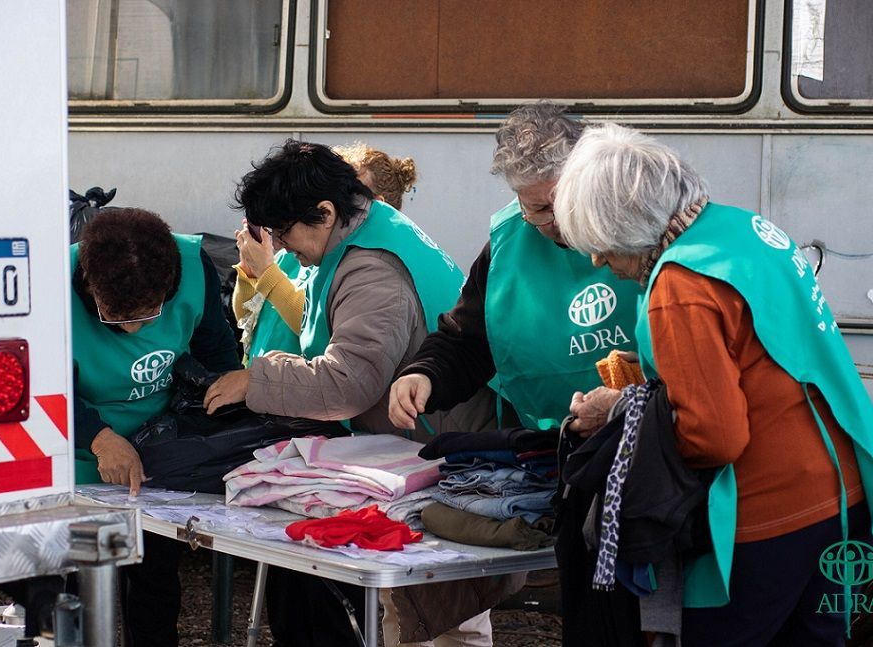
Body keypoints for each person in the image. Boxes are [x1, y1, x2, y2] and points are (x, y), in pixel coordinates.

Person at [553, 123, 873, 645]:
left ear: (629, 224)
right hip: (841, 493)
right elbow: (759, 352)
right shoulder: (743, 229)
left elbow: (715, 436)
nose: (599, 262)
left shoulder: (678, 286)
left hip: (766, 519)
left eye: (603, 246)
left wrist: (616, 411)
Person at [204, 139, 496, 647]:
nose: (280, 244)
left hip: (439, 451)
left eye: (284, 231)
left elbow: (348, 384)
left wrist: (258, 379)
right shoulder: (365, 229)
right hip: (427, 444)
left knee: (436, 614)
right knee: (413, 608)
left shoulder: (372, 269)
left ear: (324, 212)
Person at [387, 102, 644, 646]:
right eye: (534, 210)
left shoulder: (639, 224)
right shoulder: (510, 240)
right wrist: (426, 375)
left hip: (645, 452)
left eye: (556, 205)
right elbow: (469, 335)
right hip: (560, 451)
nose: (550, 224)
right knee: (589, 611)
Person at [71, 208, 241, 647]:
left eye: (148, 318)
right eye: (115, 319)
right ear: (90, 286)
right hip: (77, 444)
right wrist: (100, 438)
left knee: (154, 579)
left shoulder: (193, 265)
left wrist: (224, 413)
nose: (132, 331)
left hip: (159, 444)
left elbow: (216, 348)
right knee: (71, 585)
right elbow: (43, 387)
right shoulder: (53, 284)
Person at [231, 142, 419, 362]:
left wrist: (266, 273)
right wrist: (250, 271)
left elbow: (318, 326)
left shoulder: (367, 269)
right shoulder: (294, 252)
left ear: (374, 204)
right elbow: (246, 316)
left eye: (352, 193)